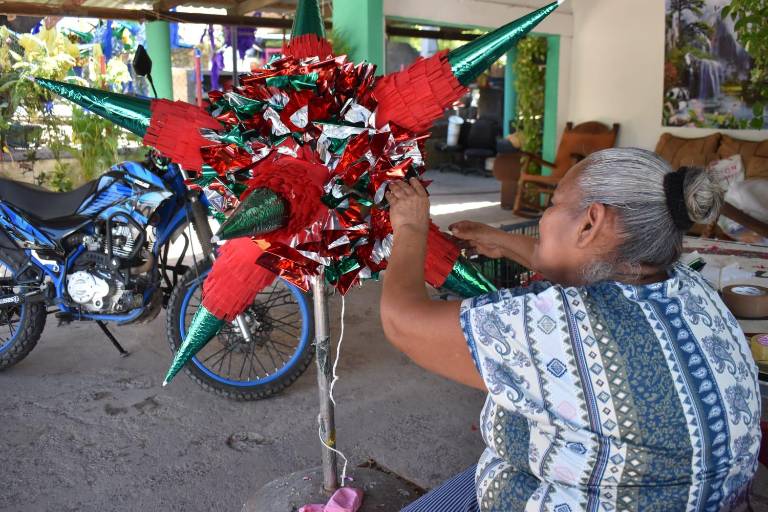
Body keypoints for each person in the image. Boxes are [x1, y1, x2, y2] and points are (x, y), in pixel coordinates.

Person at [381, 148, 761, 512]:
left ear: (591, 222)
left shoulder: (558, 326)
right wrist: (502, 241)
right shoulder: (693, 288)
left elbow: (402, 321)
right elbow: (589, 262)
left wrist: (411, 227)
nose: (545, 216)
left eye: (552, 205)